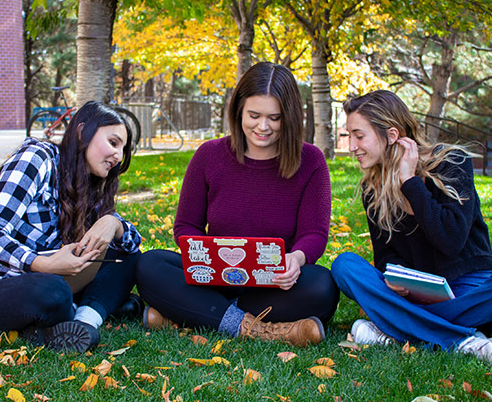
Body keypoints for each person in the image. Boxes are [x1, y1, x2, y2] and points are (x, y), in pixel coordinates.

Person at [135, 62, 339, 347]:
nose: (263, 127)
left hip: (272, 285)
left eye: (275, 118)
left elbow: (314, 234)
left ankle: (190, 314)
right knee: (150, 264)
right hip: (211, 277)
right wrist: (200, 254)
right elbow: (186, 225)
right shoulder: (209, 155)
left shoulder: (311, 161)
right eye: (254, 115)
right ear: (238, 110)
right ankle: (251, 328)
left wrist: (298, 258)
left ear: (290, 118)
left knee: (322, 287)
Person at [331, 89, 492, 365]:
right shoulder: (373, 188)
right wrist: (398, 277)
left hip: (470, 290)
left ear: (391, 135)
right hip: (415, 296)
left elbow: (450, 240)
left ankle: (395, 328)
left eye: (359, 136)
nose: (352, 146)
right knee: (344, 265)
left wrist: (410, 183)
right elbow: (385, 256)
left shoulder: (451, 162)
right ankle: (461, 341)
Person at [0, 101, 143, 352]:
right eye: (113, 143)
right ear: (83, 132)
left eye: (123, 148)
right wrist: (42, 264)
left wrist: (113, 223)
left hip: (39, 280)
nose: (118, 156)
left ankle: (84, 323)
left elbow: (132, 243)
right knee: (53, 292)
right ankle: (92, 308)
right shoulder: (36, 158)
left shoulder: (89, 185)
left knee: (126, 253)